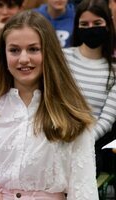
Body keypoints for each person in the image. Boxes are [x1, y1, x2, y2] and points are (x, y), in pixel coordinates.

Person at [0, 10, 99, 200]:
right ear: (4, 54)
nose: (23, 59)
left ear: (48, 52)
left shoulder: (71, 111)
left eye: (33, 49)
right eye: (14, 50)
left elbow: (83, 187)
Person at [63, 0, 116, 176]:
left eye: (97, 23)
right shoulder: (63, 58)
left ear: (108, 25)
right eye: (84, 24)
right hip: (57, 134)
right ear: (77, 27)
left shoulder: (114, 70)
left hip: (89, 145)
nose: (91, 28)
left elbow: (107, 119)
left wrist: (82, 142)